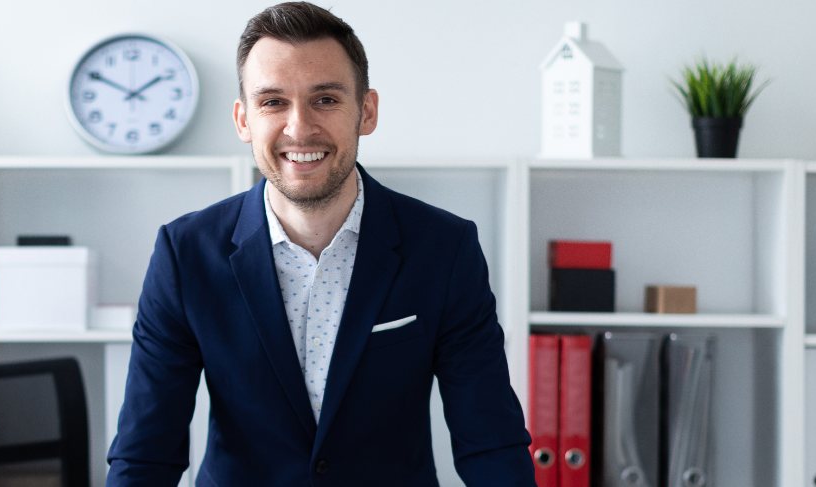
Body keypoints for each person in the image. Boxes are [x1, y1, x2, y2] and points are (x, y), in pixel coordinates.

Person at [106, 2, 534, 485]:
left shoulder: (445, 249)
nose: (299, 127)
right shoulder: (185, 254)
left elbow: (490, 440)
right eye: (272, 102)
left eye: (325, 99)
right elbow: (146, 454)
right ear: (243, 119)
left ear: (366, 111)